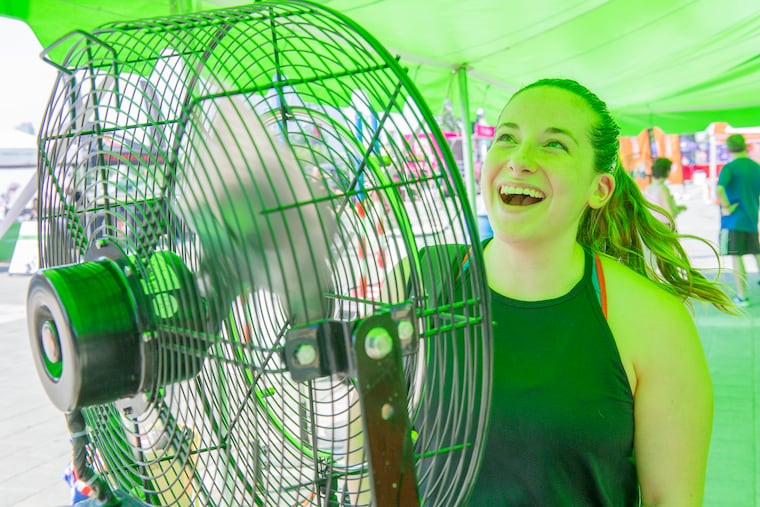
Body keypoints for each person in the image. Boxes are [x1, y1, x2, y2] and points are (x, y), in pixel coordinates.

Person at [462, 78, 736, 506]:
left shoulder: (655, 322)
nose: (519, 160)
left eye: (554, 145)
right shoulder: (416, 286)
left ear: (599, 189)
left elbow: (674, 499)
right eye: (507, 138)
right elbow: (357, 460)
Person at [715, 133, 760, 306]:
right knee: (757, 254)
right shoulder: (756, 167)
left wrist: (726, 207)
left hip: (733, 221)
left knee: (736, 257)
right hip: (751, 218)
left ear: (728, 148)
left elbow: (720, 190)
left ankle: (742, 297)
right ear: (745, 146)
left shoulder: (730, 168)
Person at [643, 156, 686, 228]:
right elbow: (670, 213)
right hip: (665, 227)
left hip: (653, 226)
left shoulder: (648, 188)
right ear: (666, 171)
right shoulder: (663, 189)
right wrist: (678, 209)